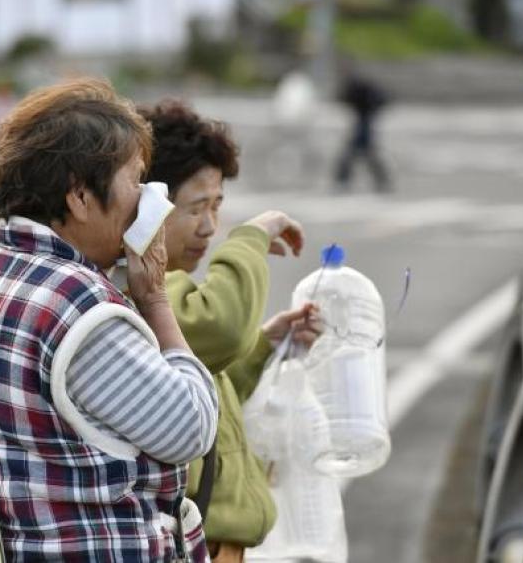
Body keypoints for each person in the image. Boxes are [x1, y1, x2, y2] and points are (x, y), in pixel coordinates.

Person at [0, 79, 218, 561]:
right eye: (135, 179)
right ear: (80, 196)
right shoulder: (76, 304)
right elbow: (191, 427)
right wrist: (154, 299)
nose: (150, 198)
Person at [140, 100, 322, 562]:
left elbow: (202, 388)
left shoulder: (168, 287)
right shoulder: (148, 289)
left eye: (217, 207)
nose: (210, 227)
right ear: (148, 203)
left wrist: (262, 347)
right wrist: (252, 237)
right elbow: (218, 328)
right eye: (197, 208)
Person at [334, 65, 392, 193]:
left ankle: (343, 181)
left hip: (364, 123)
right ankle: (381, 181)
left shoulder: (358, 86)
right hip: (363, 121)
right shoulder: (358, 85)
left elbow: (348, 100)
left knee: (355, 154)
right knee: (365, 154)